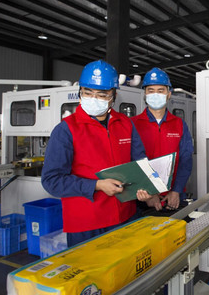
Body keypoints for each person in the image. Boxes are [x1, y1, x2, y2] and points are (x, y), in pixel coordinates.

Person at [41, 60, 151, 247]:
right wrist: (97, 185)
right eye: (88, 92)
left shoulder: (125, 123)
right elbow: (51, 180)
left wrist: (146, 187)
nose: (94, 98)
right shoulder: (66, 130)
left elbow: (140, 162)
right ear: (80, 93)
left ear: (113, 96)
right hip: (87, 223)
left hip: (126, 216)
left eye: (102, 94)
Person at [131, 67, 194, 212]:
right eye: (150, 90)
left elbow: (186, 160)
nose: (155, 94)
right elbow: (132, 162)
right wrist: (148, 192)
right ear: (145, 94)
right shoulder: (132, 124)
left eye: (161, 90)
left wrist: (176, 190)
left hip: (174, 197)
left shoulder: (179, 124)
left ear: (169, 94)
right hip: (143, 197)